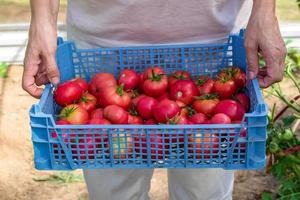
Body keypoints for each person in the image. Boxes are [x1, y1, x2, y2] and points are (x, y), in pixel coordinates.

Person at [22, 0, 286, 199]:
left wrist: (265, 11)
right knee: (114, 189)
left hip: (214, 37)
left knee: (204, 189)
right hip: (103, 39)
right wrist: (41, 22)